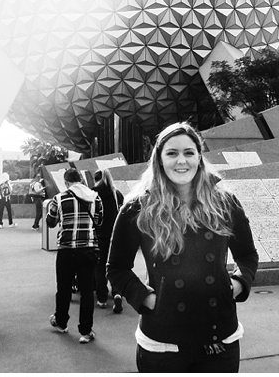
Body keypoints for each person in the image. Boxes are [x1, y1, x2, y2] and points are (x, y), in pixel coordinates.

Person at [107, 122, 259, 372]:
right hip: (163, 343)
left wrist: (238, 284)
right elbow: (117, 268)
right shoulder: (138, 207)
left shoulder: (225, 202)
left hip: (220, 338)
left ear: (200, 157)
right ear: (159, 159)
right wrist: (147, 300)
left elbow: (247, 255)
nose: (181, 161)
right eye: (172, 153)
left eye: (189, 152)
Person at [47, 167, 103, 344]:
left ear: (66, 182)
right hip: (88, 249)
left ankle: (61, 323)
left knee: (63, 288)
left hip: (66, 249)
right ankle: (85, 331)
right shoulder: (95, 197)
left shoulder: (59, 198)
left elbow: (50, 222)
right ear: (81, 180)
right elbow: (100, 221)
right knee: (87, 291)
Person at [92, 168, 125, 313]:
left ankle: (102, 298)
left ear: (96, 179)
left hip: (99, 235)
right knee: (113, 266)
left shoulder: (93, 193)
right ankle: (117, 293)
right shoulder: (116, 193)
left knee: (99, 267)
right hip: (115, 235)